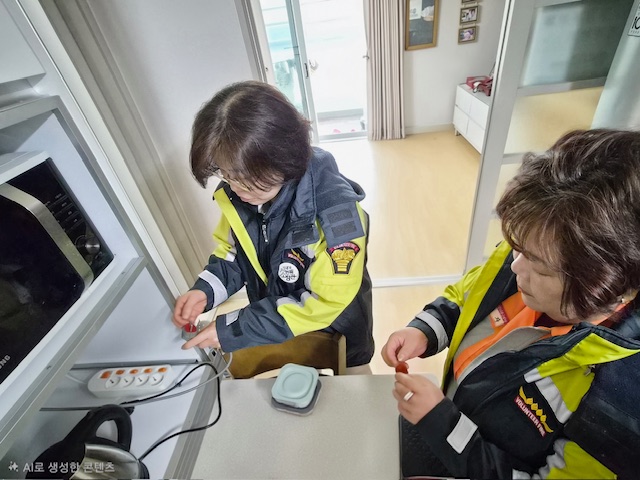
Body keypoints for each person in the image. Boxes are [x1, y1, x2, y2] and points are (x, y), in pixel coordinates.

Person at [383, 129, 640, 478]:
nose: (516, 265)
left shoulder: (621, 399)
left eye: (540, 267)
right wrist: (426, 330)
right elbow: (467, 297)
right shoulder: (535, 247)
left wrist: (445, 425)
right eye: (518, 248)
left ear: (603, 285)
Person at [173, 80, 374, 369]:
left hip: (337, 334)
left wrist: (238, 327)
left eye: (245, 176)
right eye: (225, 174)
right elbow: (232, 254)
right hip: (277, 327)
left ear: (285, 154)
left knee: (352, 387)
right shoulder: (240, 196)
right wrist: (205, 290)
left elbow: (327, 300)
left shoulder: (338, 215)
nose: (235, 187)